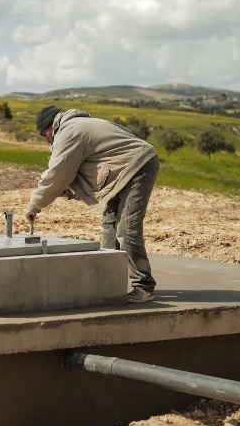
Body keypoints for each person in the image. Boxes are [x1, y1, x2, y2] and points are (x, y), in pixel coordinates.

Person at [23, 106, 160, 303]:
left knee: (126, 228)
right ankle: (108, 282)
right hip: (121, 170)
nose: (46, 140)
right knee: (109, 227)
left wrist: (34, 205)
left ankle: (143, 285)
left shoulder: (69, 131)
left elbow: (58, 173)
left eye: (45, 134)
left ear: (51, 127)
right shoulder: (77, 127)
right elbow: (89, 166)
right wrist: (69, 191)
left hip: (138, 166)